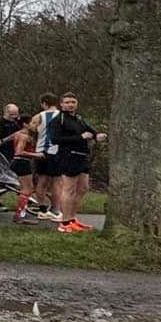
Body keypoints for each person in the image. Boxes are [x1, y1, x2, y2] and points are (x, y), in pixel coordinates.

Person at [51, 93, 103, 233]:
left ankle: (73, 219)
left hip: (83, 156)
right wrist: (79, 137)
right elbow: (55, 139)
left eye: (73, 102)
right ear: (61, 104)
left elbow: (91, 132)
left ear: (77, 103)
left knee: (83, 188)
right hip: (69, 156)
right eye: (67, 102)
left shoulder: (79, 118)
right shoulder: (59, 120)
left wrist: (98, 136)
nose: (70, 104)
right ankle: (65, 222)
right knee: (69, 189)